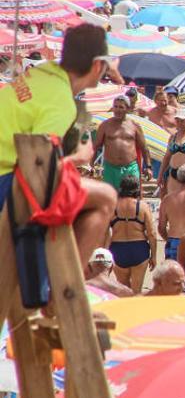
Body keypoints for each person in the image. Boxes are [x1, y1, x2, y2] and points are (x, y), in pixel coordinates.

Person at [0, 23, 119, 268]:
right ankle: (66, 283)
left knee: (75, 191)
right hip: (6, 182)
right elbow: (38, 170)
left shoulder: (40, 74)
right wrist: (80, 158)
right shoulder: (61, 102)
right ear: (97, 65)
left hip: (8, 170)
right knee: (106, 197)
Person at [106, 175, 156, 294]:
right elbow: (152, 233)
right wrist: (153, 256)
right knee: (137, 291)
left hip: (118, 248)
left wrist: (106, 253)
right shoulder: (143, 206)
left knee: (123, 290)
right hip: (139, 248)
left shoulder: (112, 206)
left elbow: (104, 233)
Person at [93, 95, 150, 190]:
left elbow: (144, 148)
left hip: (130, 168)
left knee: (131, 198)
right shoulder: (105, 125)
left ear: (127, 109)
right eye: (115, 106)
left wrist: (148, 167)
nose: (118, 110)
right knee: (111, 199)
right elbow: (95, 146)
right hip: (111, 169)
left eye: (121, 107)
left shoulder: (134, 126)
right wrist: (91, 165)